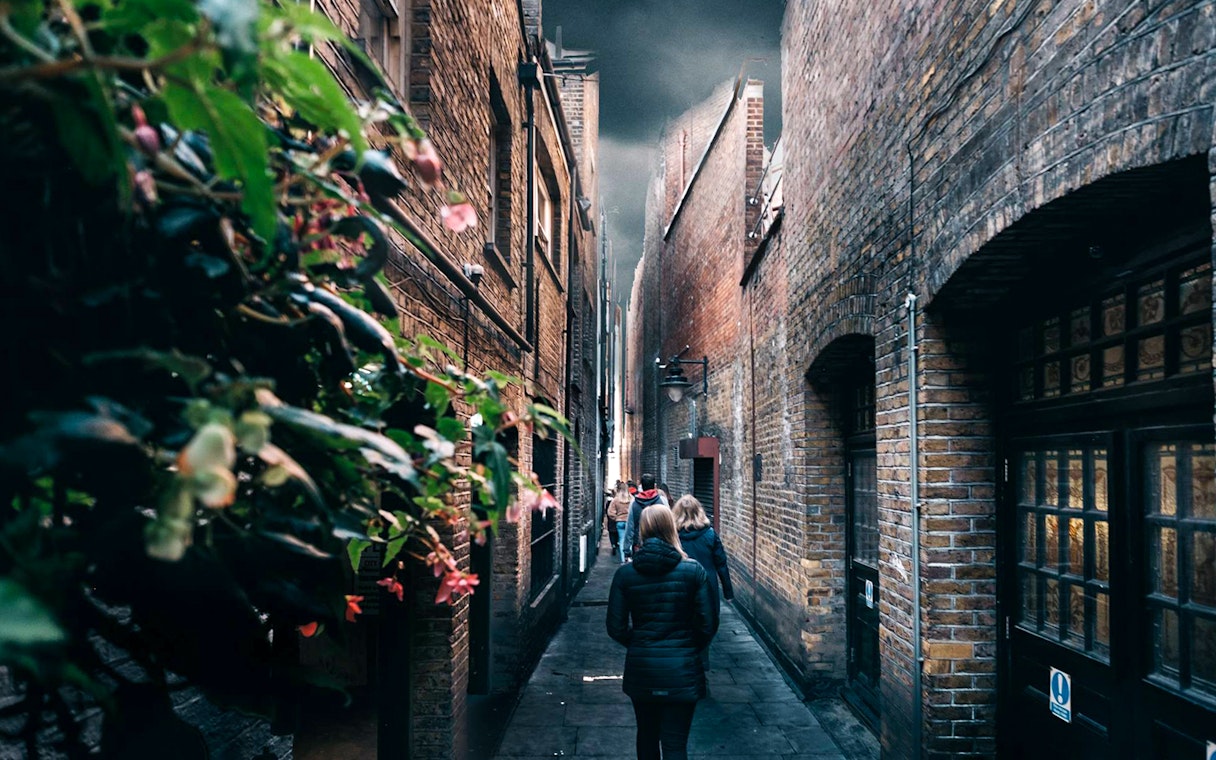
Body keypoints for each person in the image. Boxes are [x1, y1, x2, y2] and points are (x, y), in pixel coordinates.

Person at [607, 505, 715, 760]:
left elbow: (615, 627)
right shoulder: (693, 571)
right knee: (676, 744)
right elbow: (708, 624)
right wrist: (688, 646)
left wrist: (640, 643)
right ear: (671, 528)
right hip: (682, 669)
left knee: (646, 737)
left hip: (643, 668)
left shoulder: (625, 575)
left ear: (643, 530)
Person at [672, 494, 734, 670]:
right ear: (699, 511)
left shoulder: (673, 536)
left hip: (680, 585)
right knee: (706, 623)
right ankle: (702, 661)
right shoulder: (710, 534)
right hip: (707, 586)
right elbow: (721, 564)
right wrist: (728, 592)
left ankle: (683, 663)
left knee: (681, 623)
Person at [623, 473, 667, 560]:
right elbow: (669, 524)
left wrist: (626, 549)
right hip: (661, 545)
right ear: (654, 486)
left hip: (640, 546)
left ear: (641, 486)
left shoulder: (634, 503)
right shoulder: (662, 501)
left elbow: (630, 527)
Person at [606, 481, 632, 563]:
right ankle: (629, 559)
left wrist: (616, 518)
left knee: (621, 541)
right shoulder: (632, 499)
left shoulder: (615, 500)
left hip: (620, 522)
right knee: (629, 540)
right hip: (629, 522)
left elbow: (610, 512)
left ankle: (623, 560)